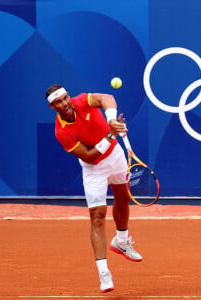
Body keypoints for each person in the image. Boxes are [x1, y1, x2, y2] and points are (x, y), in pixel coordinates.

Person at [45, 84, 142, 293]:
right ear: (53, 107)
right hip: (93, 169)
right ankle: (103, 272)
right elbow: (89, 155)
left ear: (69, 96)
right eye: (58, 102)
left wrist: (112, 121)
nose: (64, 104)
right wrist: (110, 135)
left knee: (123, 198)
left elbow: (106, 97)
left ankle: (122, 241)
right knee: (98, 215)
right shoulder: (61, 131)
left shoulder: (81, 101)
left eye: (65, 98)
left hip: (116, 157)